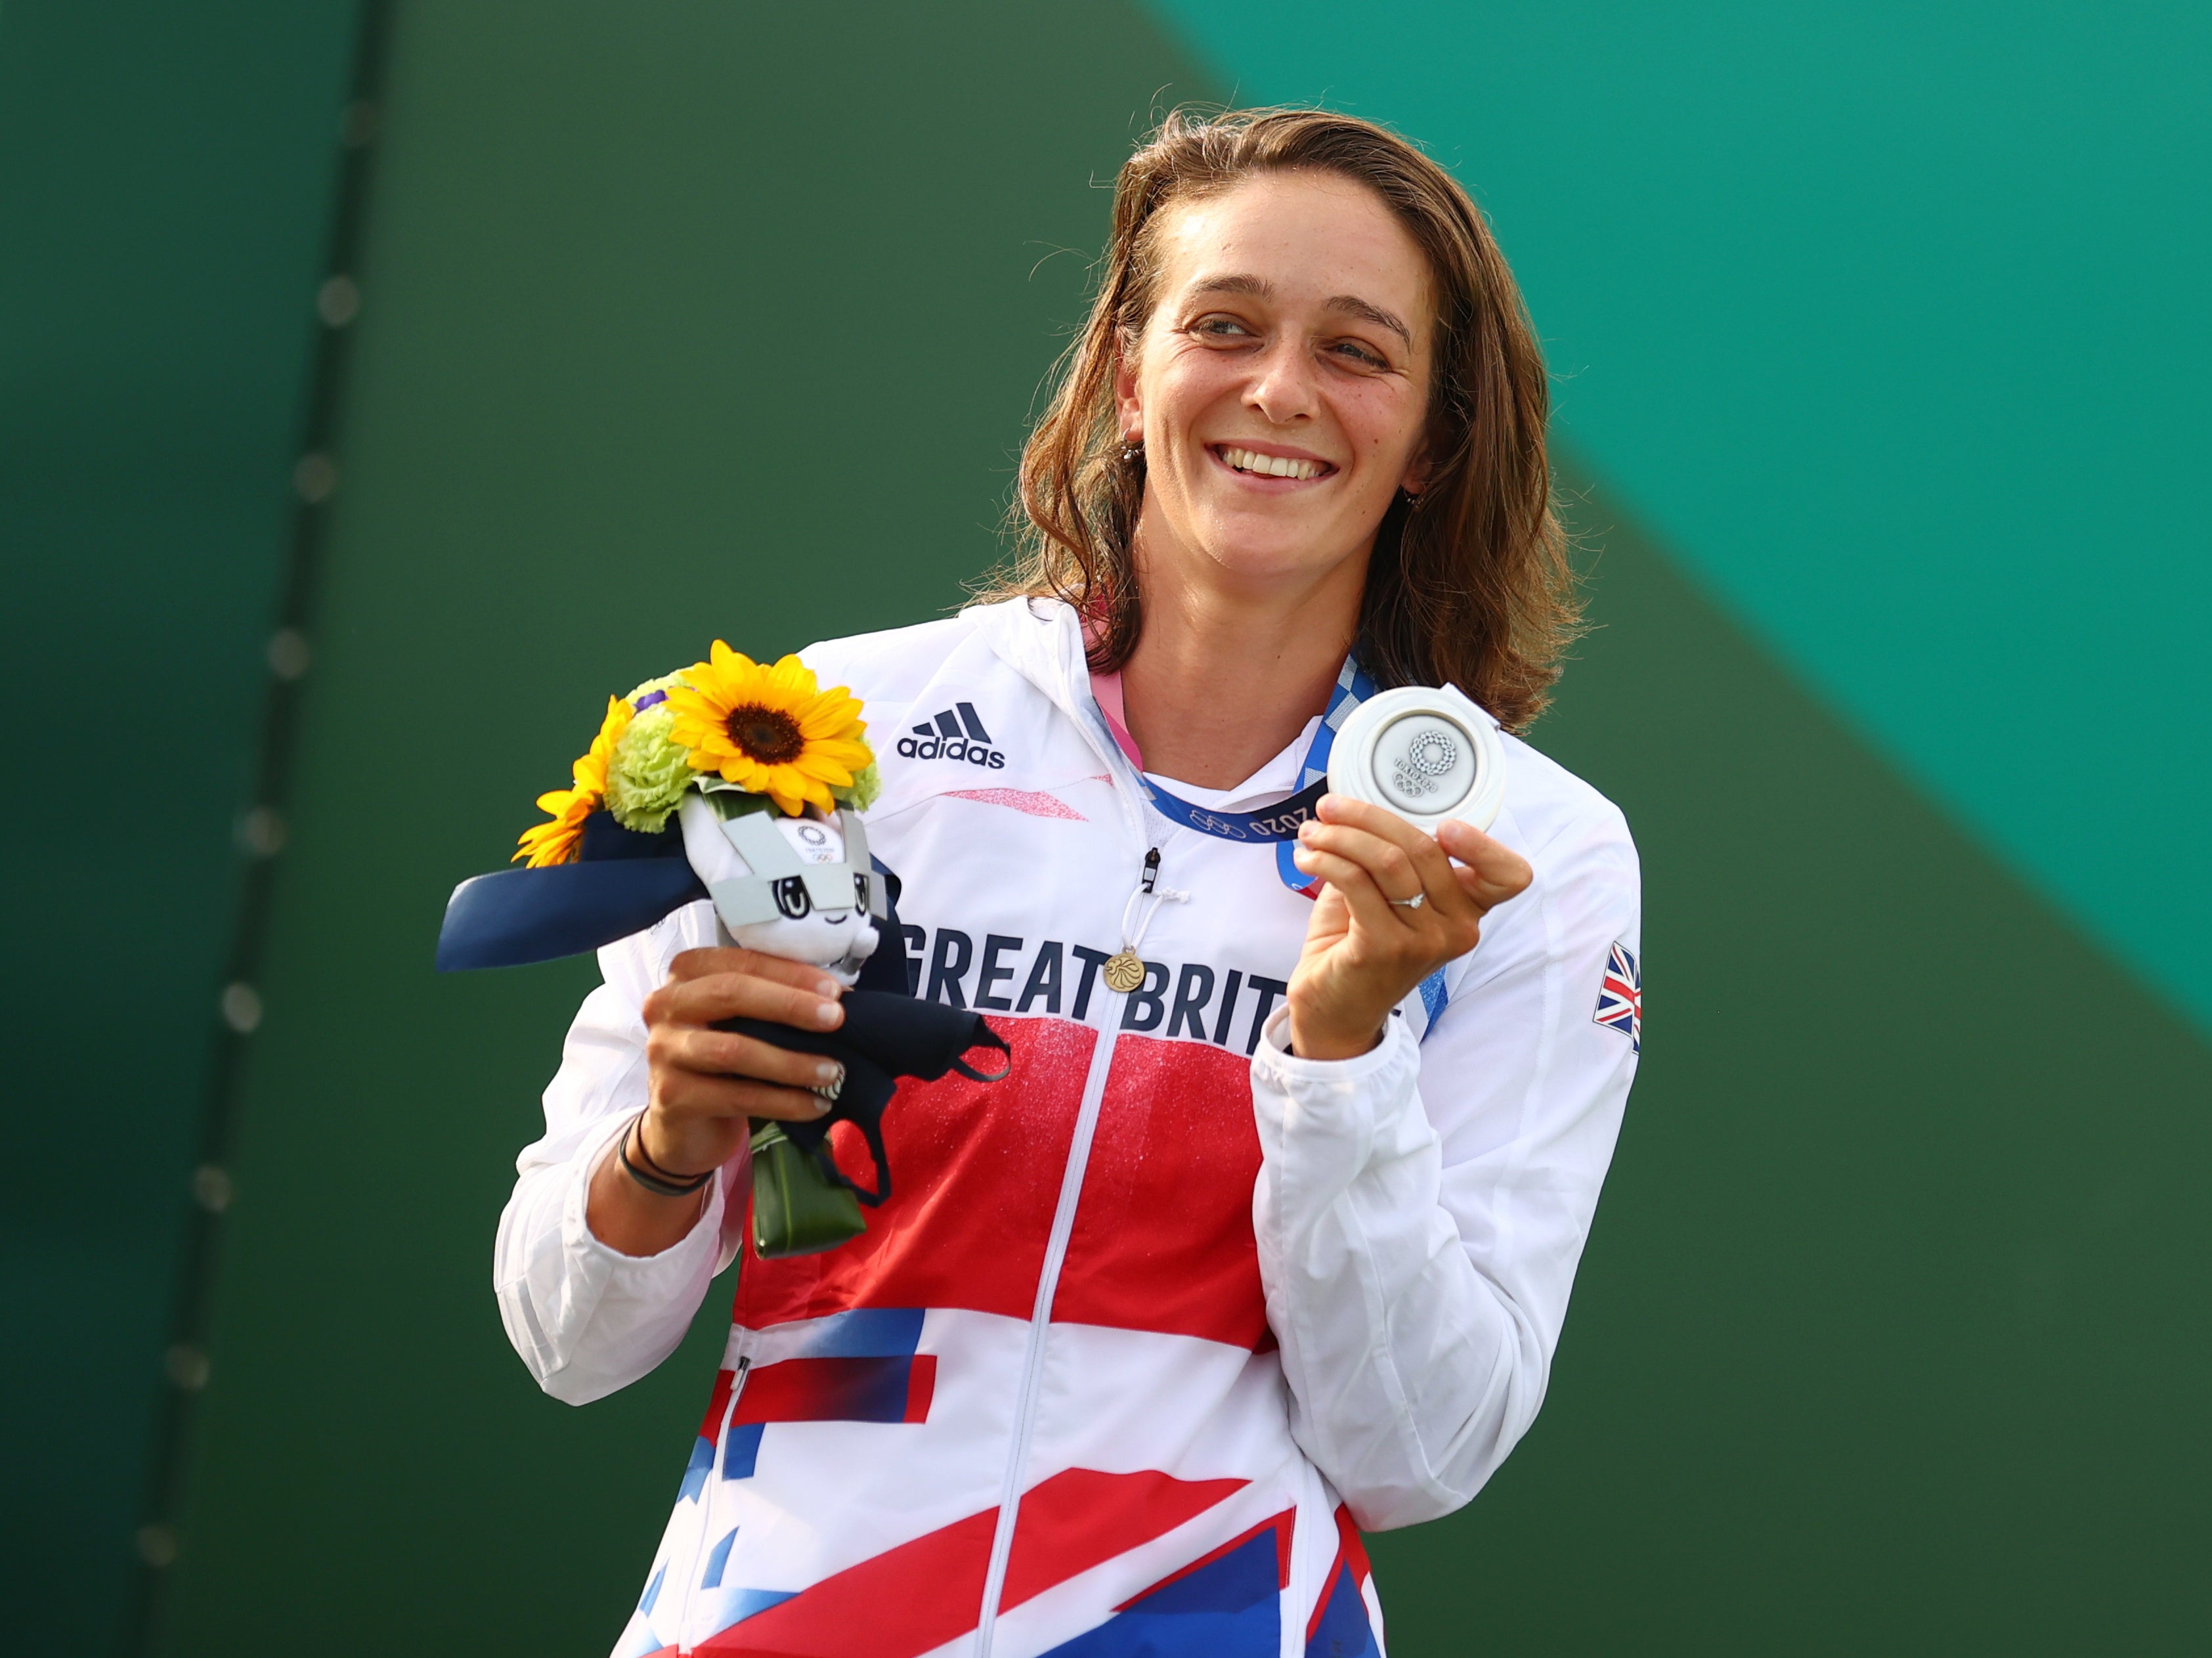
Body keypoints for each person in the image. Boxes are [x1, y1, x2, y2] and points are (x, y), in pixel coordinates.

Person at [496, 106, 1640, 1657]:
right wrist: (666, 1146)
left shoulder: (1525, 855)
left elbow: (1421, 1451)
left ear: (1435, 437)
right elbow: (569, 1338)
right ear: (1123, 375)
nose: (1277, 391)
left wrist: (1341, 1058)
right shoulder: (827, 740)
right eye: (1220, 326)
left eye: (1356, 352)